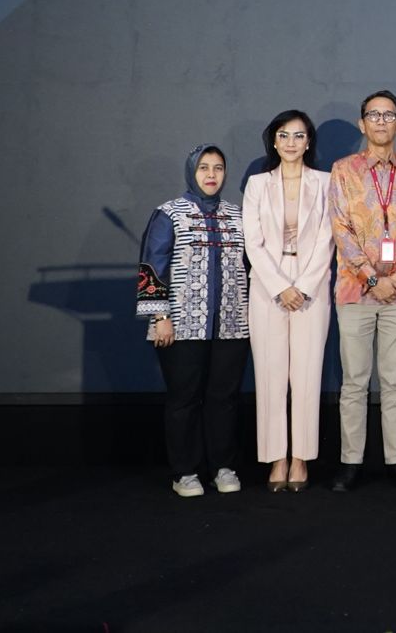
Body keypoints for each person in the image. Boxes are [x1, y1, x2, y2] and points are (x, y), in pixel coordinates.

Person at [328, 90, 396, 491]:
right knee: (354, 381)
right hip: (355, 292)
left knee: (395, 381)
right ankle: (350, 462)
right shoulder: (343, 170)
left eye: (389, 116)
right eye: (374, 115)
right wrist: (373, 278)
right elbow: (341, 229)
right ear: (362, 123)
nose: (382, 122)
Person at [136, 144, 250, 498]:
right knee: (184, 399)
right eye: (203, 168)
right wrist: (160, 316)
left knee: (224, 398)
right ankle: (185, 472)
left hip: (231, 323)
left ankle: (222, 466)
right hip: (180, 325)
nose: (211, 175)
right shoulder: (169, 213)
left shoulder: (238, 214)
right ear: (191, 171)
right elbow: (152, 266)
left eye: (218, 168)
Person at [243, 110, 332, 492]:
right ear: (274, 141)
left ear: (308, 142)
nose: (291, 142)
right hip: (267, 286)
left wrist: (304, 285)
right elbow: (253, 241)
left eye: (298, 135)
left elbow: (329, 238)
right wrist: (280, 286)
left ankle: (301, 459)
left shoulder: (326, 182)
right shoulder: (257, 184)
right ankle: (276, 458)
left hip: (312, 285)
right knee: (270, 375)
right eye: (284, 135)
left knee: (307, 376)